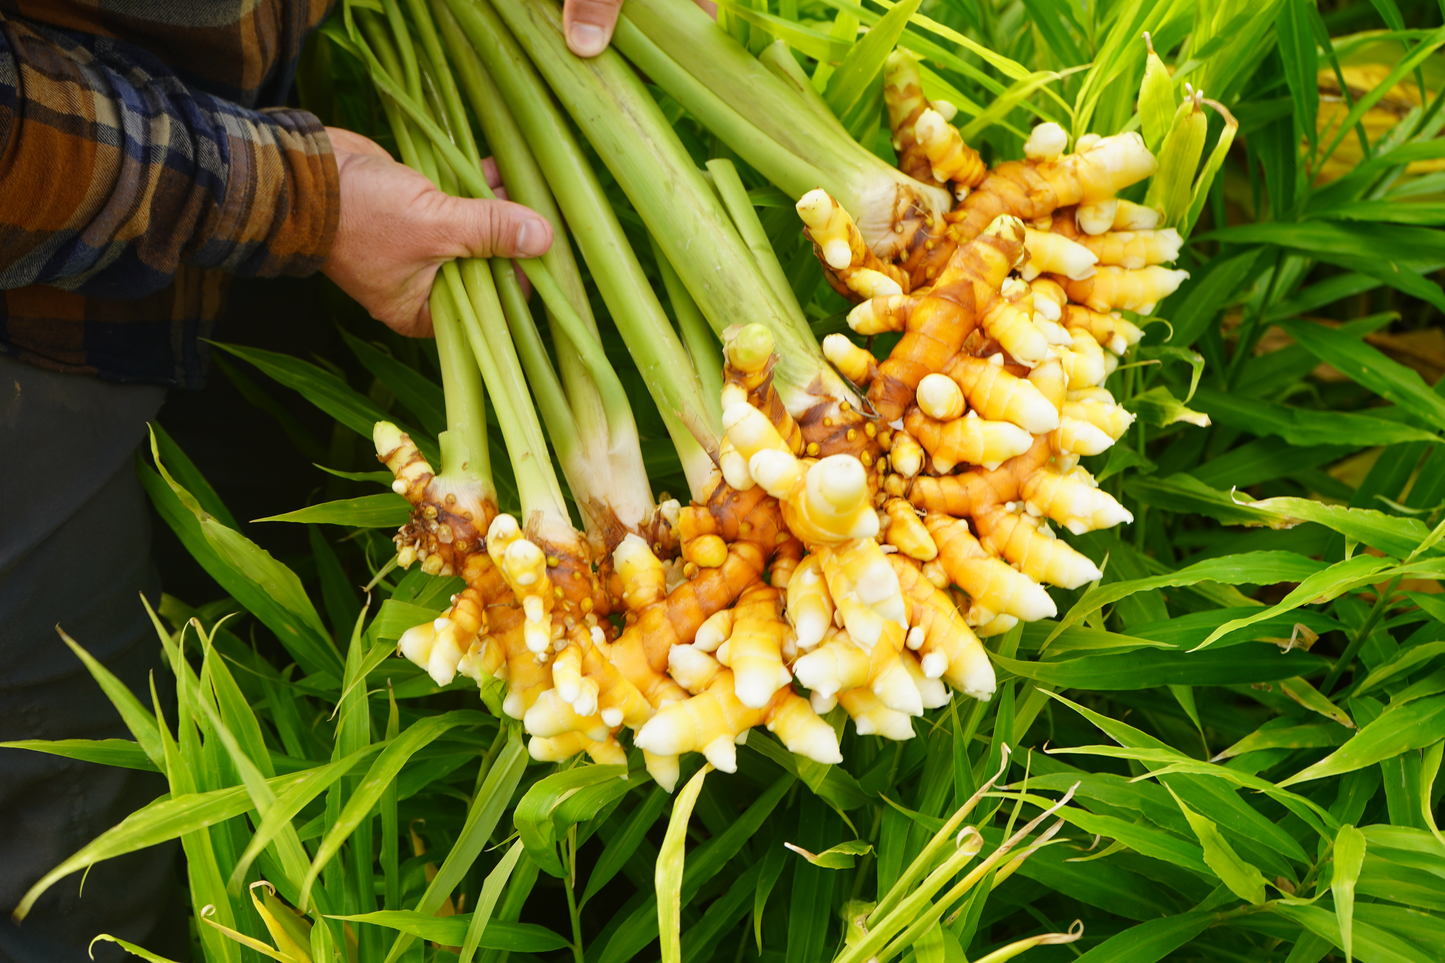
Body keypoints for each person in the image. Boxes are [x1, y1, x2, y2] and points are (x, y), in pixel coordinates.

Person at [0, 2, 632, 960]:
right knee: (80, 843)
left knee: (279, 664)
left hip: (228, 139)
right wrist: (300, 200)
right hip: (36, 271)